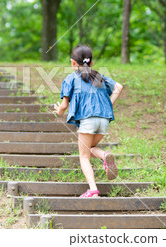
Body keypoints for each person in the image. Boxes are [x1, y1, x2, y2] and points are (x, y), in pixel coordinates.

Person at [53, 45, 123, 198]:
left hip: (88, 120)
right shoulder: (99, 76)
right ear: (91, 63)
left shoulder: (70, 78)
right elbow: (118, 87)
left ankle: (93, 190)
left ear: (73, 63)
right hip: (104, 120)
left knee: (83, 156)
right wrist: (107, 104)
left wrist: (58, 111)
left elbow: (64, 105)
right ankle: (104, 155)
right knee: (90, 148)